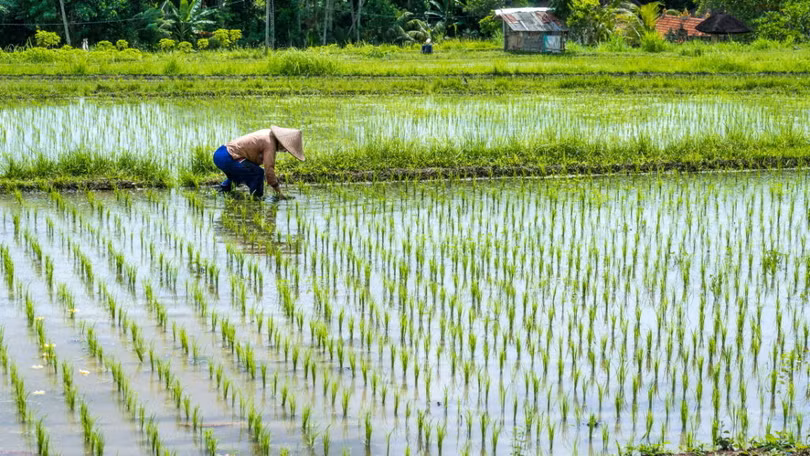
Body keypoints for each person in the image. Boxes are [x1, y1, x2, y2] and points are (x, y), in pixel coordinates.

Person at [213, 126, 305, 200]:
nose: (285, 151)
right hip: (227, 157)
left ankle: (223, 189)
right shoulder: (270, 143)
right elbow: (269, 169)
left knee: (246, 171)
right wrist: (279, 193)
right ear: (282, 143)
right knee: (257, 173)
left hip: (220, 153)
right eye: (286, 149)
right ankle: (256, 200)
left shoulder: (267, 133)